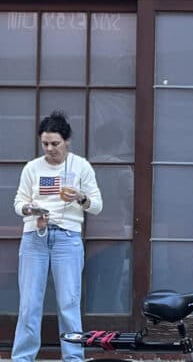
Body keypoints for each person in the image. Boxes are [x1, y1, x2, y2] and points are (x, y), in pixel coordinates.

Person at [12, 110, 103, 362]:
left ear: (67, 141)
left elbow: (96, 205)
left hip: (67, 238)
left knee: (68, 302)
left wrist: (79, 197)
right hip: (35, 237)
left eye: (55, 143)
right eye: (45, 143)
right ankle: (22, 358)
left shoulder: (81, 165)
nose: (50, 148)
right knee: (29, 304)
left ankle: (73, 357)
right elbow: (19, 202)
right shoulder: (32, 168)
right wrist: (29, 209)